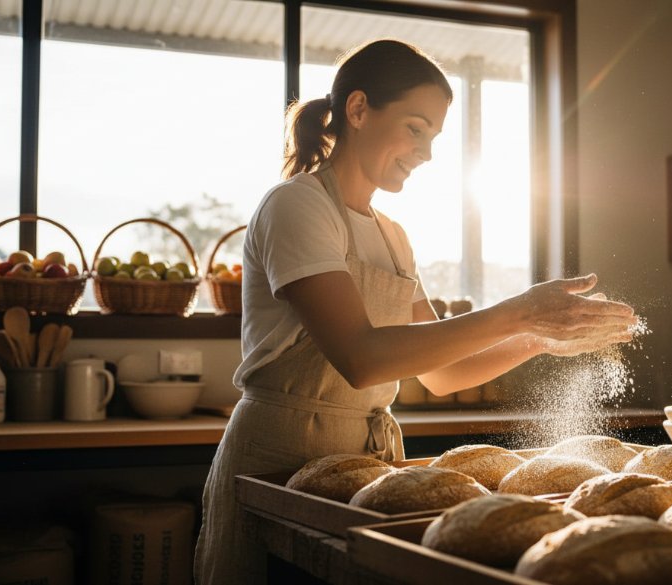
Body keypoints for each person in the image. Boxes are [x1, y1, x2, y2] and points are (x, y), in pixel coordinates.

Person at [194, 38, 637, 583]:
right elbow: (361, 357)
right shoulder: (297, 205)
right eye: (416, 127)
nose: (426, 152)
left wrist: (545, 337)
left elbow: (443, 373)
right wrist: (520, 311)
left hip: (364, 468)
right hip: (277, 459)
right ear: (358, 109)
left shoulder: (394, 236)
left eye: (433, 136)